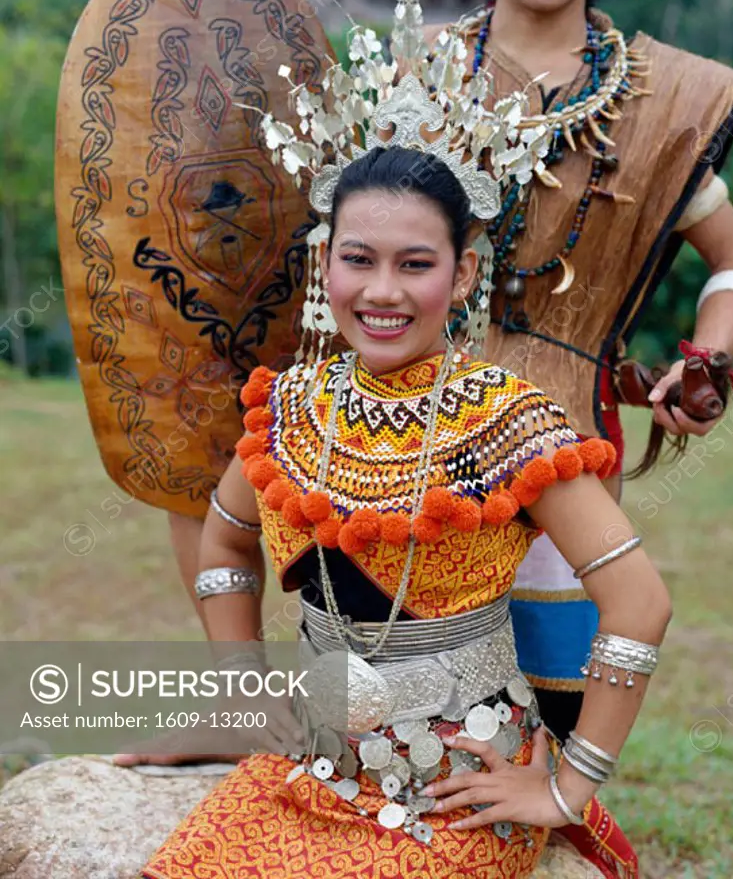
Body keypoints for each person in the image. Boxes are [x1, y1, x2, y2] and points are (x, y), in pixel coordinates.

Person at [141, 142, 669, 879]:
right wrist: (241, 681)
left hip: (458, 783)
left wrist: (568, 784)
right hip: (311, 761)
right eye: (358, 259)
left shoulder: (508, 426)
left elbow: (639, 603)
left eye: (415, 264)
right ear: (325, 265)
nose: (381, 291)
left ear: (464, 276)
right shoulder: (293, 408)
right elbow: (226, 544)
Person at [417, 0, 733, 741]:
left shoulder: (659, 105)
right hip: (407, 428)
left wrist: (709, 360)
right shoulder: (415, 81)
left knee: (553, 701)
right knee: (402, 702)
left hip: (564, 439)